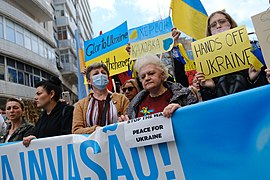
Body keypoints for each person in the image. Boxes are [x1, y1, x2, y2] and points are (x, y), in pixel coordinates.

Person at [195, 10, 268, 99]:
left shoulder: (251, 50)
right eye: (213, 25)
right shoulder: (205, 63)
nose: (218, 26)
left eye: (222, 21)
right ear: (210, 31)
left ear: (231, 24)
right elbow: (209, 104)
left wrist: (253, 79)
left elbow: (264, 92)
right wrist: (211, 88)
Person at [119, 54, 197, 121]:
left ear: (162, 74)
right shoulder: (134, 104)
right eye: (143, 77)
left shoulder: (183, 95)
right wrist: (124, 124)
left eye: (151, 73)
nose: (147, 78)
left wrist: (181, 112)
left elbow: (196, 119)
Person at [72, 62, 129, 134]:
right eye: (96, 74)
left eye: (103, 73)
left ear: (108, 78)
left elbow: (129, 121)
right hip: (93, 144)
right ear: (89, 81)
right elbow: (76, 130)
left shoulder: (122, 99)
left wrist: (124, 122)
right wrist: (95, 129)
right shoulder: (80, 105)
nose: (101, 75)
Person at [23, 76, 73, 147]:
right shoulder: (42, 116)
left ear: (51, 94)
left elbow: (67, 138)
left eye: (39, 94)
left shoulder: (67, 111)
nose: (35, 98)